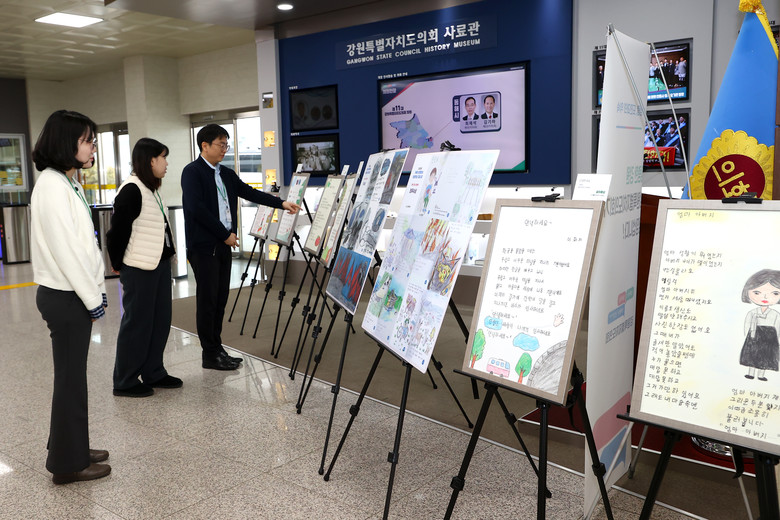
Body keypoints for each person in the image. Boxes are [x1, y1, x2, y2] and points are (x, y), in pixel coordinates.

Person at [30, 109, 111, 484]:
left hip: (72, 292)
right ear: (66, 143)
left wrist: (97, 290)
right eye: (87, 140)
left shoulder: (66, 181)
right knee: (70, 381)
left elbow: (85, 245)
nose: (93, 147)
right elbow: (66, 252)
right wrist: (93, 298)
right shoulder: (51, 185)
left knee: (72, 379)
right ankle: (67, 464)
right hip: (65, 296)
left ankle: (71, 446)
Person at [182, 124, 301, 370]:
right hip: (204, 247)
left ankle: (216, 348)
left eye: (226, 145)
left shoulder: (225, 173)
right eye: (221, 144)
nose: (224, 149)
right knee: (208, 301)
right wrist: (224, 234)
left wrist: (281, 203)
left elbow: (249, 192)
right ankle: (209, 353)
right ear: (204, 145)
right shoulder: (192, 172)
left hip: (224, 245)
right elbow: (197, 210)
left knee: (220, 299)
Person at [106, 138, 180, 397]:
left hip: (158, 264)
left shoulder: (151, 189)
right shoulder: (131, 189)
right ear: (150, 161)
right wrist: (118, 263)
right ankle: (125, 380)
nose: (166, 163)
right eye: (163, 157)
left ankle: (153, 371)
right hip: (139, 267)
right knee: (137, 323)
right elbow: (117, 232)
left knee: (160, 321)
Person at [740, 270, 780, 381]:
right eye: (757, 293)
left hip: (770, 337)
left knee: (765, 356)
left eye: (775, 293)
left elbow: (778, 326)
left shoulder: (775, 314)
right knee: (752, 354)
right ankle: (751, 373)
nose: (765, 297)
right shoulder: (752, 312)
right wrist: (748, 335)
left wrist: (778, 339)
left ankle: (761, 375)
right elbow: (747, 324)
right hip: (754, 334)